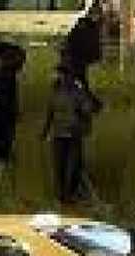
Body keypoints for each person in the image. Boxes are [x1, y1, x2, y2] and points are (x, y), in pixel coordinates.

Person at [41, 62, 100, 204]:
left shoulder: (78, 92)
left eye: (64, 74)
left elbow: (91, 109)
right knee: (59, 165)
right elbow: (50, 112)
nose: (61, 77)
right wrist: (45, 130)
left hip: (74, 134)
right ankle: (61, 195)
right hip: (59, 133)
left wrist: (85, 110)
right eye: (60, 74)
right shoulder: (55, 92)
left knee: (74, 166)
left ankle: (71, 193)